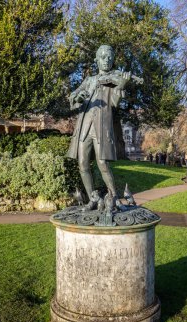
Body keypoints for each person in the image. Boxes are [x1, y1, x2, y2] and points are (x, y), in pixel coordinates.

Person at [67, 45, 141, 210]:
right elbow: (73, 96)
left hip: (101, 127)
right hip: (84, 127)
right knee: (83, 164)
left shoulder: (113, 81)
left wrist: (122, 84)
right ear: (97, 59)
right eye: (103, 57)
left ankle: (113, 198)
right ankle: (93, 199)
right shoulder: (88, 80)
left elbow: (114, 103)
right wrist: (78, 97)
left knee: (102, 163)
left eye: (109, 57)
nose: (106, 60)